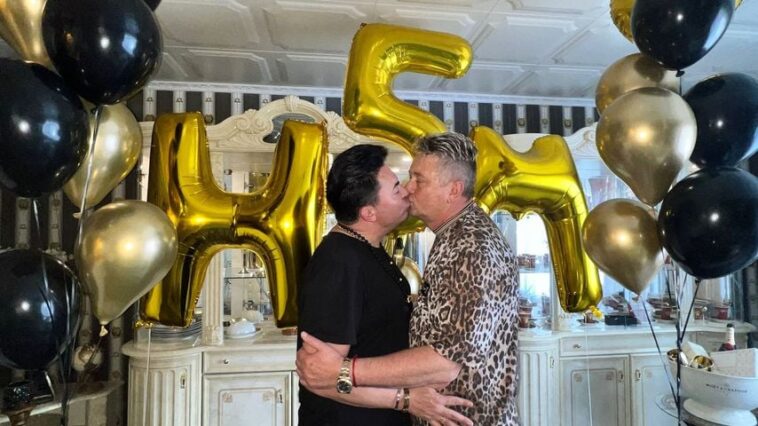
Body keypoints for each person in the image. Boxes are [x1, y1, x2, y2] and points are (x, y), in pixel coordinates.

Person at [297, 133, 520, 425]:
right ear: (368, 212)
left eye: (419, 180)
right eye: (402, 183)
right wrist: (404, 399)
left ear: (453, 190)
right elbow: (317, 374)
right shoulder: (341, 260)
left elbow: (446, 362)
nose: (408, 189)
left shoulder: (471, 246)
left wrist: (347, 371)